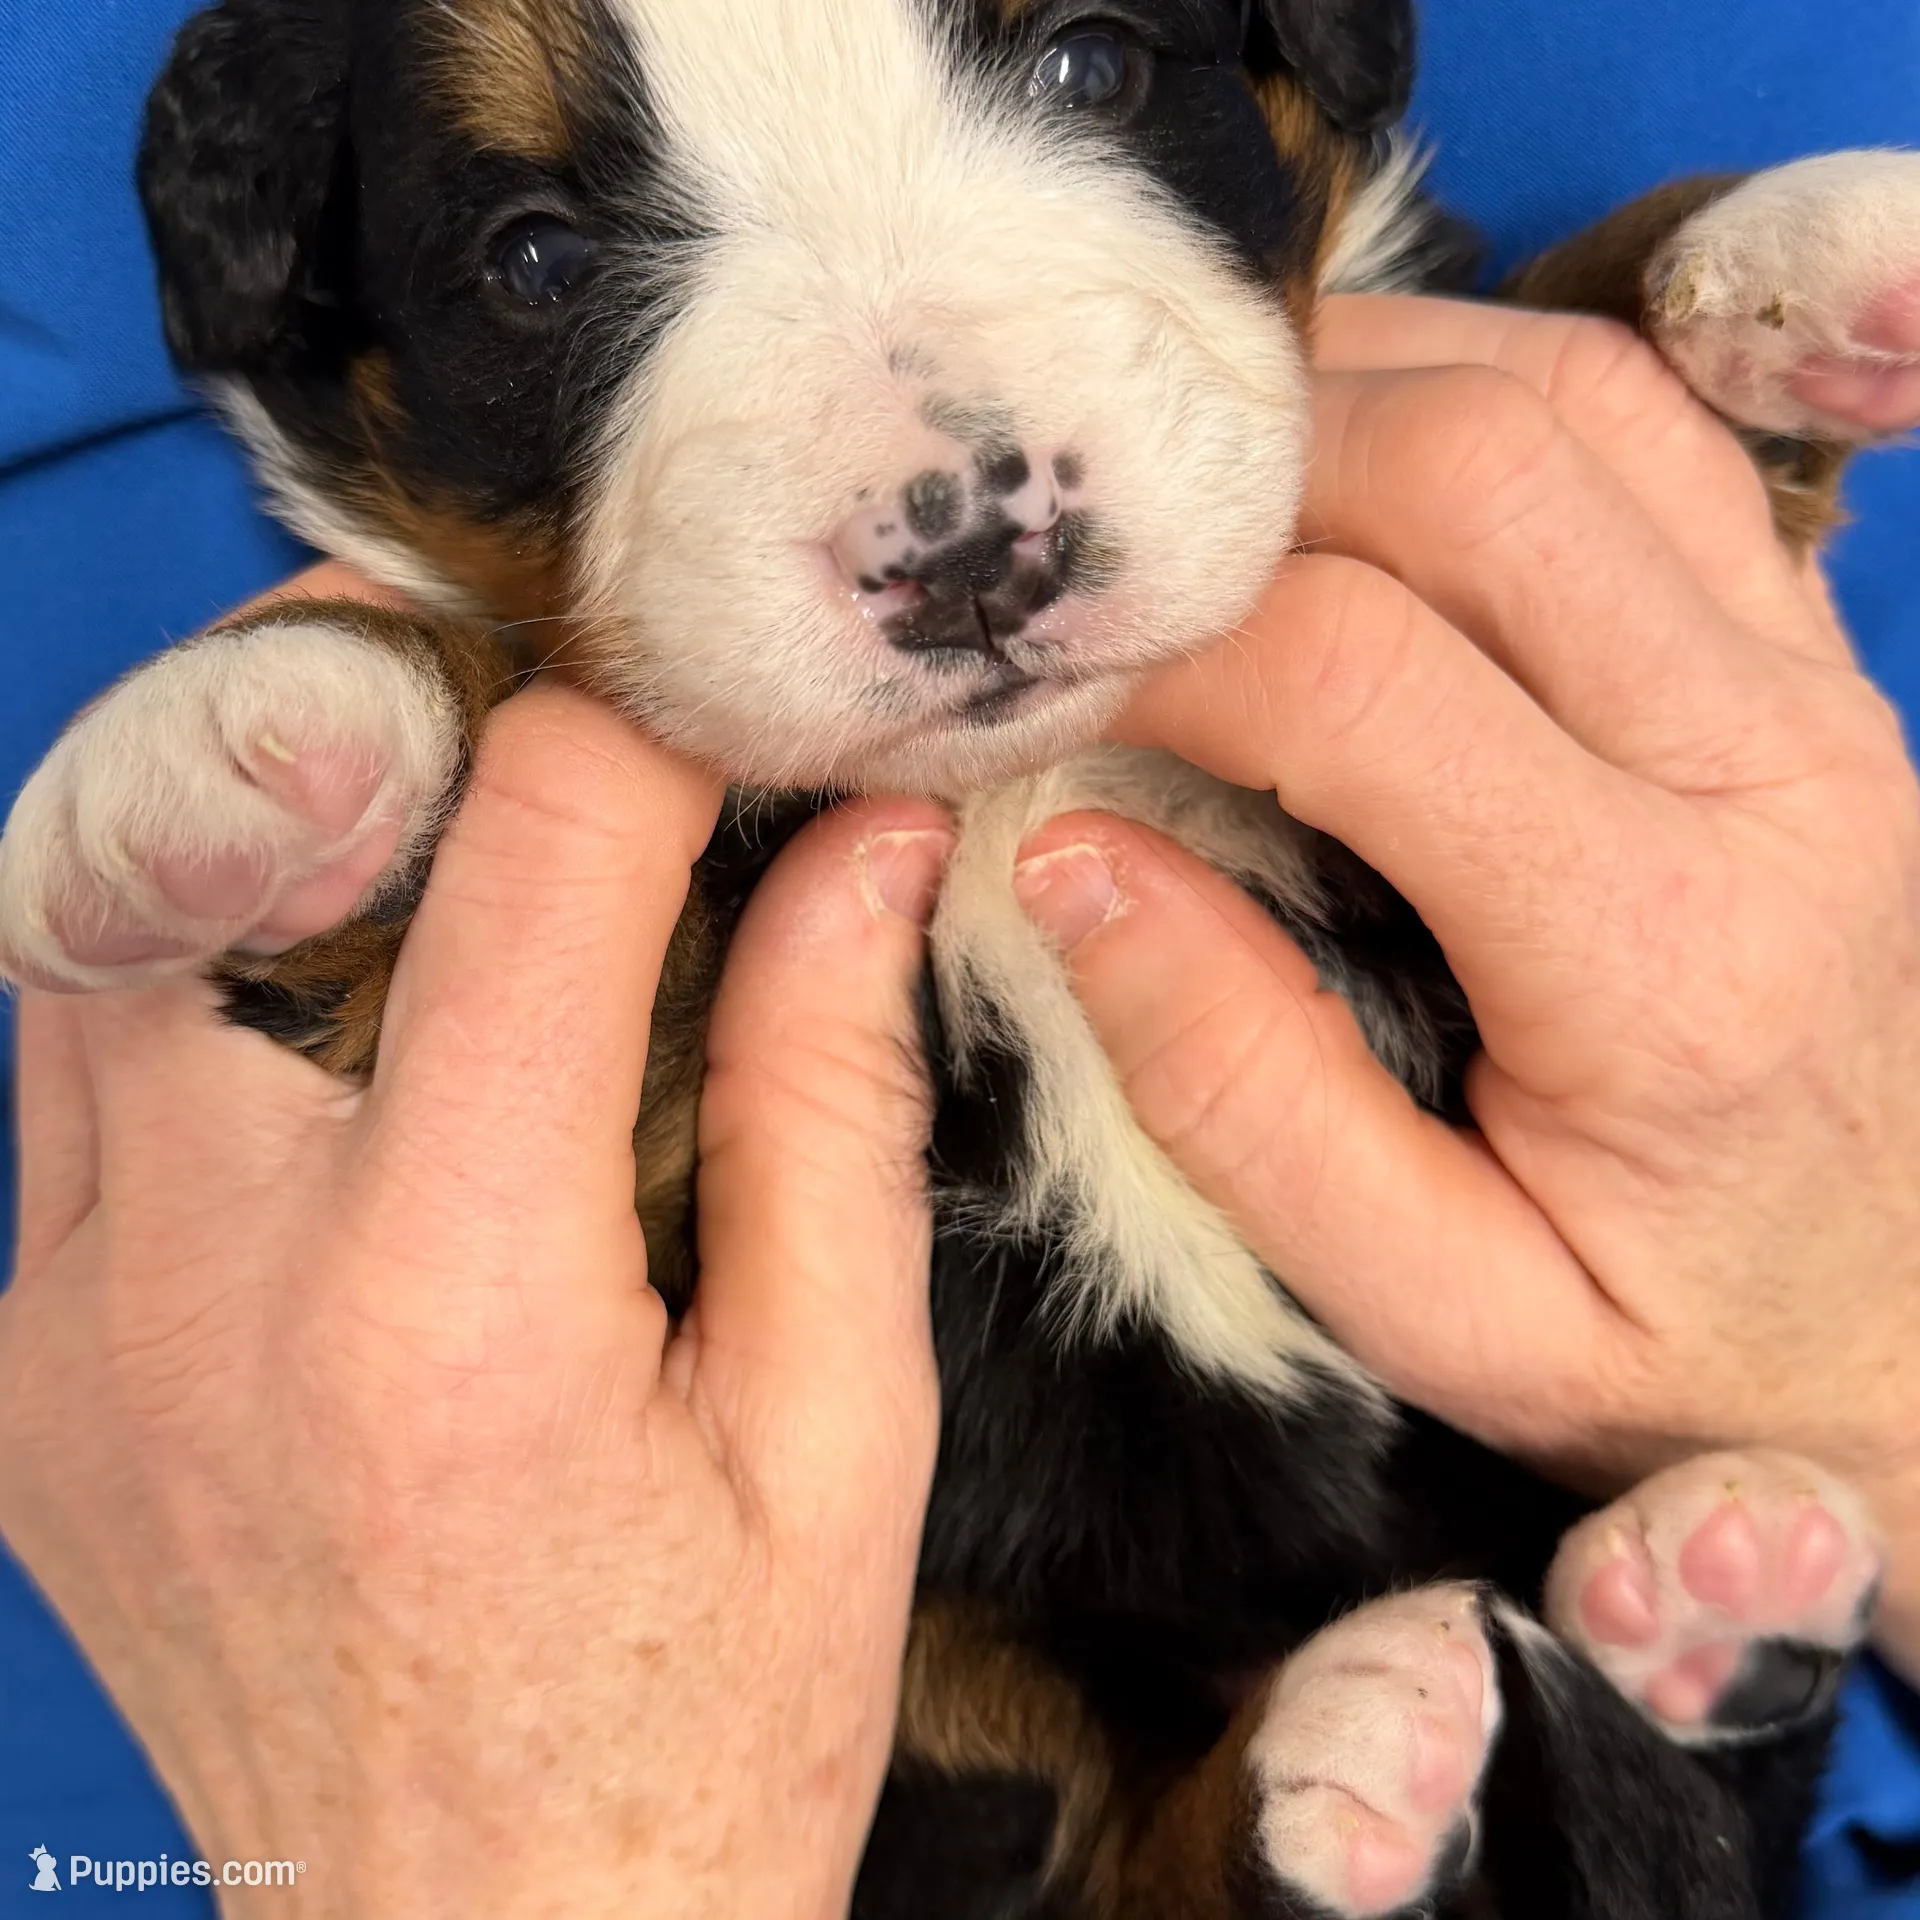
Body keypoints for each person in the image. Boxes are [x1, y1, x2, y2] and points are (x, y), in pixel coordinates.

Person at [3, 6, 1918, 1917]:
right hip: (930, 1680)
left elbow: (1587, 574)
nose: (959, 507)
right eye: (546, 258)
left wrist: (1675, 364)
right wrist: (364, 783)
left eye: (1084, 64)